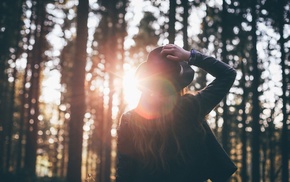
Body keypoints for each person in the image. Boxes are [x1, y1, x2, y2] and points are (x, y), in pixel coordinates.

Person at [116, 44, 237, 182]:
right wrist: (190, 56)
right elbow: (227, 74)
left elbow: (124, 173)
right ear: (179, 83)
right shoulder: (190, 108)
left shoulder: (129, 120)